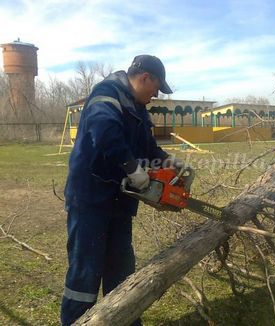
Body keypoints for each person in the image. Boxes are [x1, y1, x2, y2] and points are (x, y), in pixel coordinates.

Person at [60, 55, 183, 325]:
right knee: (85, 272)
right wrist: (132, 168)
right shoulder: (107, 94)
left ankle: (124, 319)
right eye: (156, 87)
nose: (155, 95)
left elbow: (148, 147)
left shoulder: (138, 109)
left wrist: (169, 161)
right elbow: (104, 132)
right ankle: (77, 322)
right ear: (145, 78)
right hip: (91, 198)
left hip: (120, 200)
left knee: (121, 268)